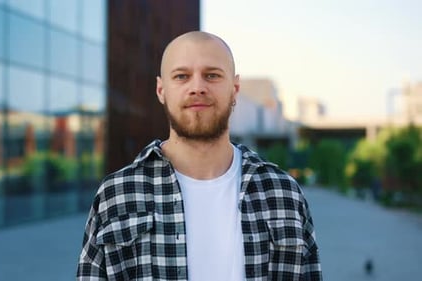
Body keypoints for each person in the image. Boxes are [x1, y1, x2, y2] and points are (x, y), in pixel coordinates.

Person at [77, 31, 322, 280]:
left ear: (235, 89)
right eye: (182, 76)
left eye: (212, 75)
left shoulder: (283, 193)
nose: (197, 87)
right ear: (161, 90)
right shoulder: (117, 193)